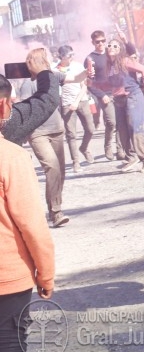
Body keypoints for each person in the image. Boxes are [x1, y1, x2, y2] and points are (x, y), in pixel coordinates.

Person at [0, 80, 56, 352]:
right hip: (6, 277)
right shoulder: (10, 156)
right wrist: (45, 274)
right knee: (8, 346)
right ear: (4, 106)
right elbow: (31, 224)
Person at [18, 48, 70, 228]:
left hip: (57, 129)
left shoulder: (52, 76)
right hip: (38, 133)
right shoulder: (27, 84)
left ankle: (54, 206)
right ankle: (56, 212)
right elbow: (25, 108)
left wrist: (88, 72)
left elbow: (75, 78)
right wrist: (24, 131)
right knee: (52, 168)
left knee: (60, 172)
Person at [105, 39, 144, 173]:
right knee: (122, 129)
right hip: (119, 99)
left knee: (135, 127)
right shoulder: (109, 65)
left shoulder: (125, 61)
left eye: (115, 46)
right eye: (109, 45)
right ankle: (131, 157)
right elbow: (107, 84)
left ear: (120, 49)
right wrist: (92, 84)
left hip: (133, 96)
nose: (111, 47)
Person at [54, 44, 96, 173]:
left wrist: (77, 101)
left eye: (73, 54)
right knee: (71, 134)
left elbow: (85, 85)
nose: (72, 57)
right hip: (66, 104)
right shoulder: (55, 69)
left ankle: (84, 147)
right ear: (61, 56)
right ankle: (75, 162)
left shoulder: (77, 66)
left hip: (82, 101)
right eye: (69, 55)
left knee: (90, 129)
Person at [86, 30, 125, 161]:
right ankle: (108, 145)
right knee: (112, 122)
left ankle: (120, 150)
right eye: (98, 42)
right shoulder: (90, 59)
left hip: (117, 92)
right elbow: (89, 83)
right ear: (93, 42)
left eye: (103, 41)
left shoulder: (111, 54)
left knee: (120, 122)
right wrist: (101, 95)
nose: (101, 44)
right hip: (104, 94)